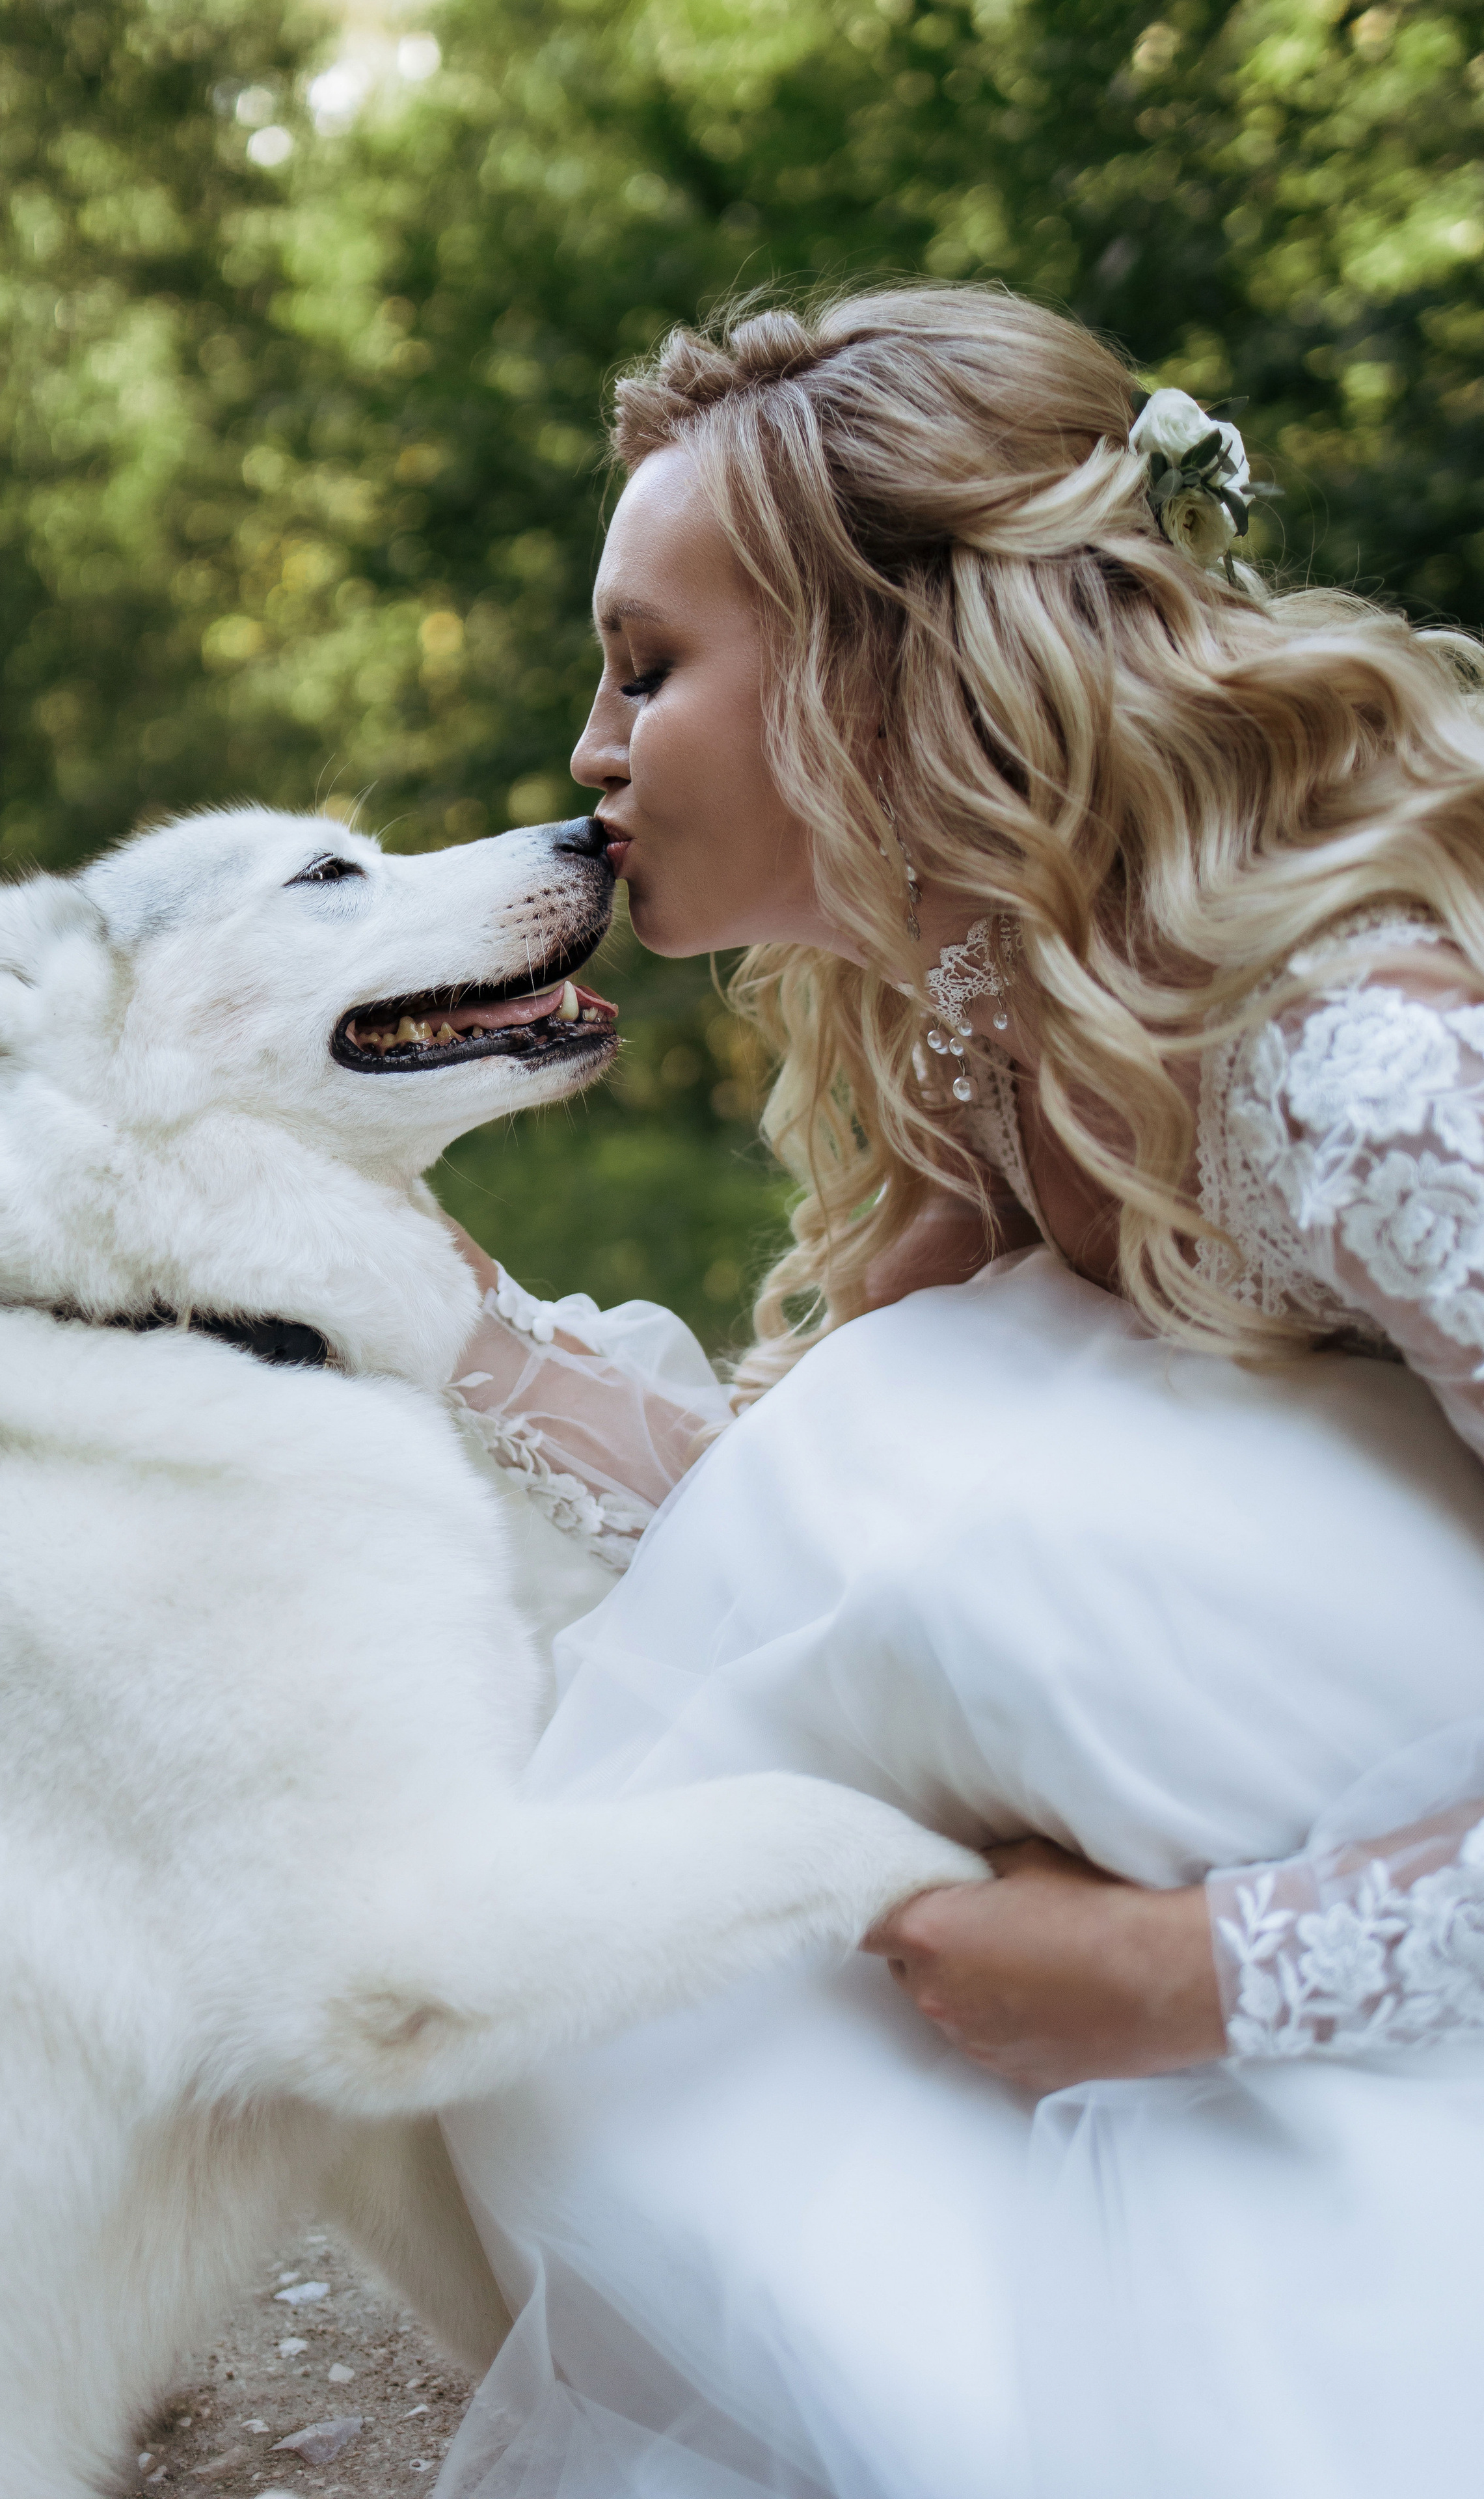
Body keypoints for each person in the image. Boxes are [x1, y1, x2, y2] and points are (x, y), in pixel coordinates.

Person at [427, 284, 1484, 2497]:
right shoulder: (990, 1029)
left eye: (646, 665)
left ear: (877, 666)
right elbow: (783, 1522)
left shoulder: (1356, 1080)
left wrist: (1198, 1974)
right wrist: (442, 1327)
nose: (588, 754)